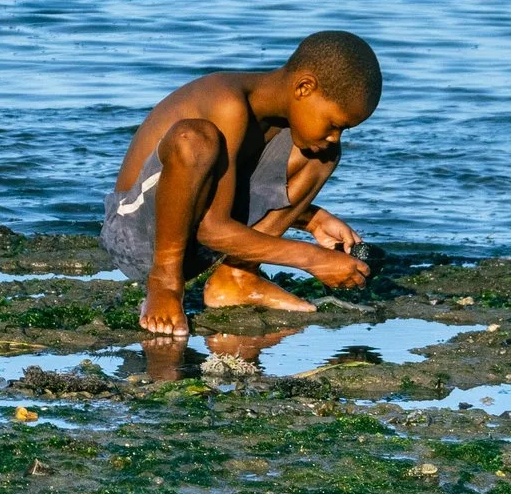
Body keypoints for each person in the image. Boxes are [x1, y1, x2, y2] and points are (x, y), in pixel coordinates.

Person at [104, 31, 379, 339]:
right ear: (304, 87)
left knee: (323, 154)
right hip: (137, 237)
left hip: (198, 242)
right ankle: (165, 283)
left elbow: (221, 194)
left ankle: (236, 277)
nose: (336, 136)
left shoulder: (281, 121)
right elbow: (212, 227)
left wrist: (310, 219)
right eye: (335, 124)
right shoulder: (227, 103)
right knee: (194, 140)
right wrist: (313, 258)